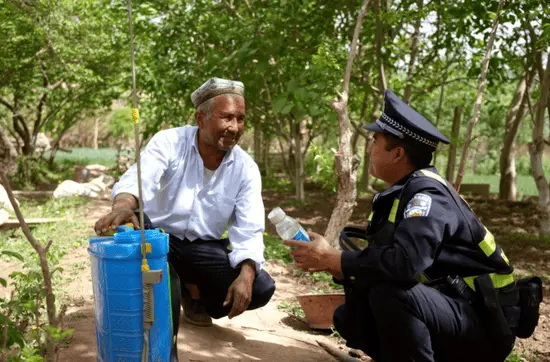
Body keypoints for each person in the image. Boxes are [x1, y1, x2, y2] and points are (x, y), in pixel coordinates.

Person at [284, 89, 520, 362]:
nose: (369, 148)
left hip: (483, 323)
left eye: (375, 141)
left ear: (397, 154)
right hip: (456, 308)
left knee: (391, 292)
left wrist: (334, 258)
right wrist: (333, 263)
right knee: (350, 316)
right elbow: (383, 260)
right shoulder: (402, 191)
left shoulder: (427, 196)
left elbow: (405, 264)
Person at [94, 78, 276, 352]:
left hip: (202, 247)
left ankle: (196, 295)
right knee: (162, 272)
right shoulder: (170, 142)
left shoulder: (245, 168)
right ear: (200, 118)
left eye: (240, 119)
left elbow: (249, 226)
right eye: (226, 117)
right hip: (159, 236)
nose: (234, 127)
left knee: (260, 287)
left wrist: (247, 273)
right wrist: (123, 204)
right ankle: (166, 351)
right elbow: (142, 177)